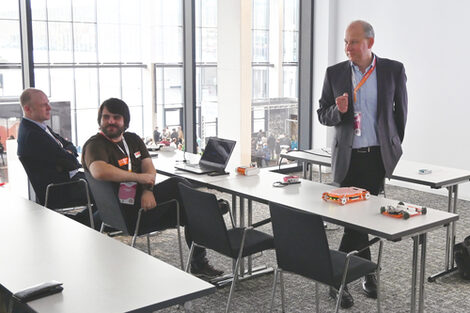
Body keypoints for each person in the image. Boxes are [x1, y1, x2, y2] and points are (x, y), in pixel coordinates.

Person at [317, 20, 407, 308]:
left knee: (362, 218)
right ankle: (351, 276)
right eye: (345, 42)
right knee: (354, 220)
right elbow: (322, 113)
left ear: (370, 42)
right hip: (348, 158)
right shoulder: (335, 73)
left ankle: (353, 275)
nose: (347, 48)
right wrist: (337, 110)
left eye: (353, 42)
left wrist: (390, 145)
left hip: (375, 158)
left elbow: (400, 116)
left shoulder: (393, 70)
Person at [81, 98, 223, 278]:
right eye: (106, 117)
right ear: (99, 119)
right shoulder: (95, 144)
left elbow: (149, 168)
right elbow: (99, 171)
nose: (110, 121)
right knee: (178, 187)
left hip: (139, 204)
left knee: (189, 209)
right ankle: (210, 213)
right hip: (127, 214)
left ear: (125, 120)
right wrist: (140, 178)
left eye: (116, 117)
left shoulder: (132, 139)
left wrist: (147, 190)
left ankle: (202, 237)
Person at [16, 88, 99, 227]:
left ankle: (85, 224)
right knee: (107, 193)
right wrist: (68, 154)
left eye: (48, 103)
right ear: (28, 108)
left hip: (70, 180)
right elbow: (71, 162)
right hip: (61, 188)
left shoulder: (39, 127)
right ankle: (84, 225)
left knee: (106, 189)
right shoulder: (33, 135)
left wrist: (68, 152)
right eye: (43, 105)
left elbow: (69, 145)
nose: (49, 107)